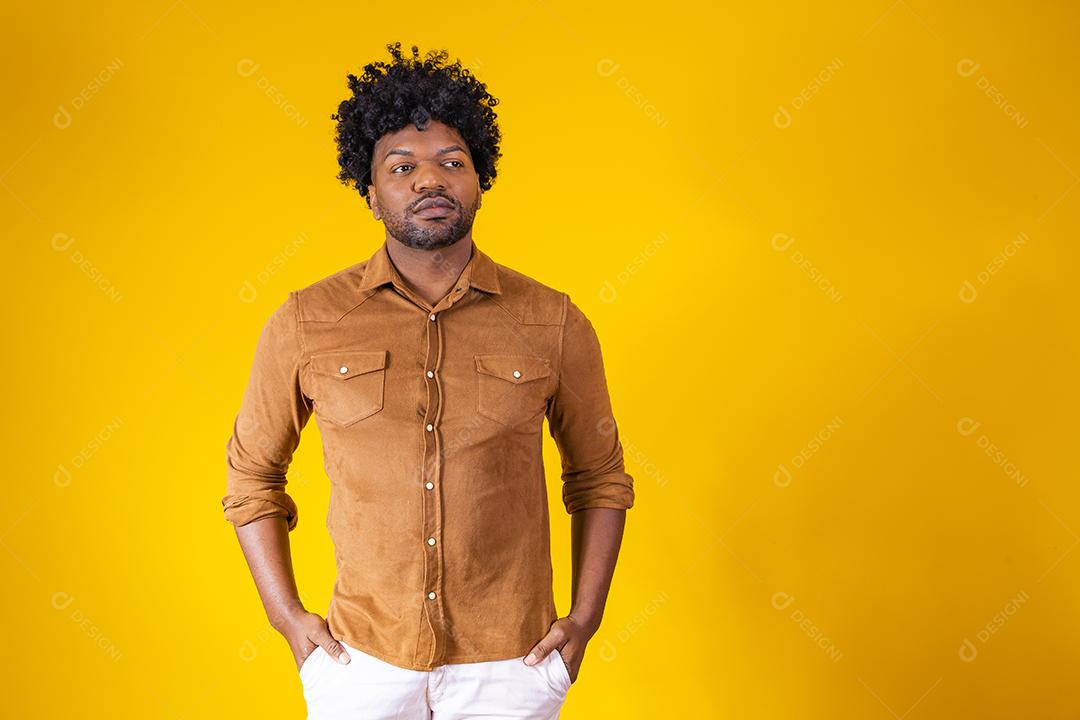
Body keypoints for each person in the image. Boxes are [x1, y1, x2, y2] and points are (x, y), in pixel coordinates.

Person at [222, 42, 635, 720]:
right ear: (370, 189)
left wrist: (583, 622)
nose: (428, 181)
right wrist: (288, 620)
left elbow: (601, 479)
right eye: (402, 167)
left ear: (480, 178)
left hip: (514, 663)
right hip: (361, 663)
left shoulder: (553, 321)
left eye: (452, 162)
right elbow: (251, 480)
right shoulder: (307, 321)